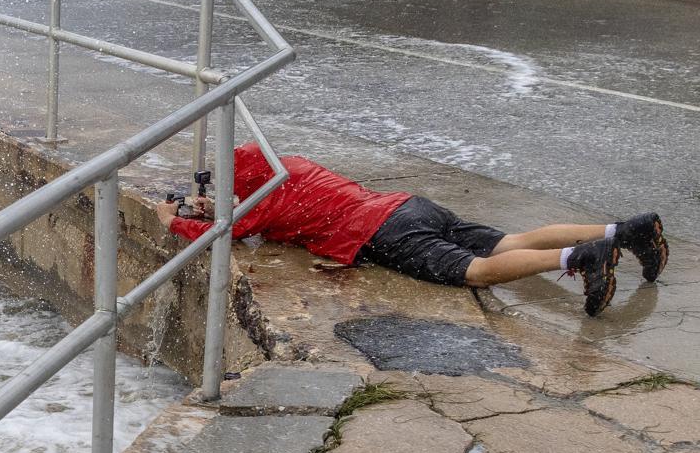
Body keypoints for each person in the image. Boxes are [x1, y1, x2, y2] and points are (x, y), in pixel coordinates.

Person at [155, 144, 669, 317]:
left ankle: (579, 259)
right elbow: (257, 204)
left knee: (477, 273)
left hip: (382, 233)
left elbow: (225, 231)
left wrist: (173, 217)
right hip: (409, 205)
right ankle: (628, 230)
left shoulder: (262, 203)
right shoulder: (290, 166)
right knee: (509, 240)